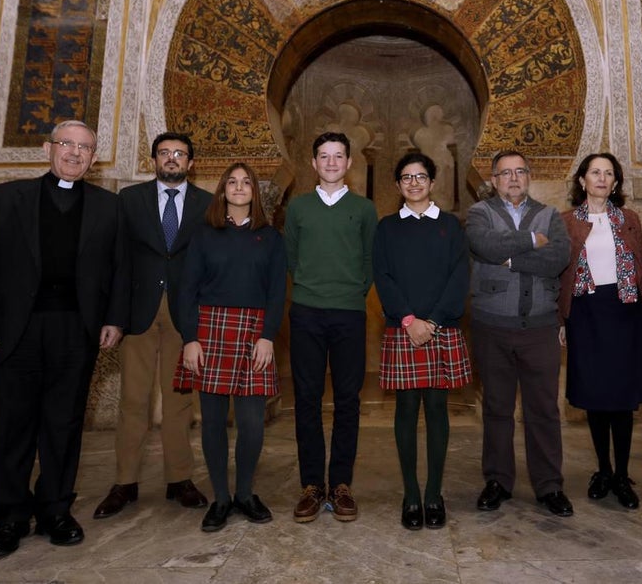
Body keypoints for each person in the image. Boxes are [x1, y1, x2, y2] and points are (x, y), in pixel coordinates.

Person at [0, 120, 127, 560]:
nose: (75, 153)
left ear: (95, 158)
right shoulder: (4, 198)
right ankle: (10, 516)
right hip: (15, 330)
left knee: (64, 423)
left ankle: (55, 508)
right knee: (13, 425)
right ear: (47, 148)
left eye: (85, 148)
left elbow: (118, 271)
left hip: (76, 331)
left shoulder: (109, 207)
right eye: (67, 144)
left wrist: (114, 319)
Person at [92, 133, 210, 520]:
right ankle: (125, 481)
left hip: (184, 318)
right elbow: (114, 260)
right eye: (165, 153)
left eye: (179, 154)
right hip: (137, 315)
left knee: (178, 402)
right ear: (154, 159)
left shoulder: (206, 204)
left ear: (191, 162)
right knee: (133, 401)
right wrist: (114, 316)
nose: (172, 159)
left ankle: (180, 479)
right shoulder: (129, 200)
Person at [173, 163, 287, 532]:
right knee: (213, 423)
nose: (239, 188)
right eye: (232, 182)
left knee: (252, 424)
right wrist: (190, 338)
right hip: (210, 331)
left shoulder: (270, 237)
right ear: (222, 191)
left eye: (246, 182)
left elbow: (276, 292)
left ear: (255, 191)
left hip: (255, 332)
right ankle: (221, 498)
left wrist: (267, 335)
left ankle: (245, 494)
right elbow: (187, 290)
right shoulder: (204, 235)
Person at [466, 150, 572, 517]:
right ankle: (497, 481)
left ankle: (549, 486)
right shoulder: (480, 213)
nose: (513, 178)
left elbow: (558, 257)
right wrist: (530, 241)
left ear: (529, 177)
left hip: (540, 327)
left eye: (520, 172)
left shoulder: (551, 216)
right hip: (492, 327)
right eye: (505, 173)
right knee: (496, 407)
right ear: (493, 180)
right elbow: (485, 245)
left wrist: (510, 258)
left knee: (543, 409)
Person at [558, 153, 642, 510]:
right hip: (585, 313)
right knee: (596, 398)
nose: (601, 178)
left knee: (621, 398)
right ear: (582, 180)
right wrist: (561, 320)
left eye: (608, 173)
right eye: (594, 172)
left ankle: (622, 474)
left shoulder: (629, 219)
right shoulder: (566, 221)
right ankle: (602, 470)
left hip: (625, 311)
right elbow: (558, 276)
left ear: (615, 182)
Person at [372, 153, 471, 530]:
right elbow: (382, 276)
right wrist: (410, 320)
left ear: (432, 182)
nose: (414, 183)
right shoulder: (387, 228)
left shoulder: (450, 226)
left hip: (440, 328)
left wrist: (432, 321)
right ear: (398, 185)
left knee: (436, 412)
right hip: (404, 329)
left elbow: (459, 276)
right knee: (405, 412)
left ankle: (434, 494)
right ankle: (411, 494)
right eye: (406, 177)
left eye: (421, 177)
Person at [284, 131, 378, 523]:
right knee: (305, 399)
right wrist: (310, 289)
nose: (332, 163)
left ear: (349, 162)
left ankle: (340, 484)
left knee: (347, 400)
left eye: (339, 156)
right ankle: (311, 485)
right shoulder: (299, 208)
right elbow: (291, 256)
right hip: (305, 312)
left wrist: (352, 293)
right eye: (324, 156)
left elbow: (371, 259)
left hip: (349, 314)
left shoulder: (364, 209)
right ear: (313, 163)